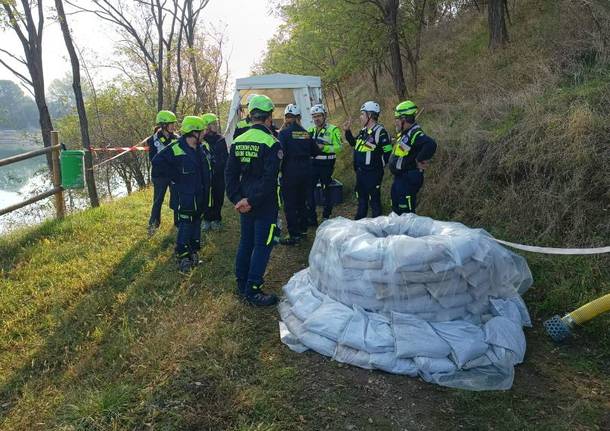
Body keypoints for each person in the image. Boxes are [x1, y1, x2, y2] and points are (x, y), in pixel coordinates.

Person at [225, 94, 282, 306]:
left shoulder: (238, 141)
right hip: (264, 204)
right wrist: (251, 201)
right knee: (263, 245)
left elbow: (229, 175)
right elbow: (269, 181)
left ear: (251, 116)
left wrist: (237, 199)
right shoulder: (272, 143)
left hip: (244, 203)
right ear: (268, 118)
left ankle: (242, 284)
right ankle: (253, 290)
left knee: (246, 242)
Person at [152, 116, 211, 273]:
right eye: (202, 131)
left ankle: (193, 251)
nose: (204, 133)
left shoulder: (201, 149)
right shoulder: (175, 148)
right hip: (184, 197)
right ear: (193, 133)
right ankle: (182, 255)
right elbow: (157, 163)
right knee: (185, 225)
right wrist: (175, 177)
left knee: (196, 223)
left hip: (200, 196)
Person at [278, 104, 320, 245]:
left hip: (290, 172)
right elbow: (315, 151)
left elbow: (280, 154)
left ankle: (294, 234)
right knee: (302, 201)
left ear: (286, 118)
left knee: (290, 204)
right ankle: (303, 229)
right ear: (299, 118)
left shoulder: (283, 134)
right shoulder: (305, 133)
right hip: (306, 172)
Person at [343, 101, 392, 220]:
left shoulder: (381, 132)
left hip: (373, 174)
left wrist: (377, 166)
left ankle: (378, 227)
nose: (360, 117)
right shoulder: (363, 131)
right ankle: (360, 224)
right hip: (360, 173)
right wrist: (347, 131)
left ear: (370, 115)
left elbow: (388, 152)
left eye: (362, 114)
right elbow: (354, 143)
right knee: (361, 200)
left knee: (374, 202)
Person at [389, 100, 437, 214]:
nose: (395, 122)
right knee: (397, 211)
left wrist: (418, 160)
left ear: (404, 119)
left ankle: (406, 232)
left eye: (396, 119)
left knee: (406, 213)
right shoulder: (405, 133)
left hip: (408, 179)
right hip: (400, 178)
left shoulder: (415, 133)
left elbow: (431, 144)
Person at [305, 104, 342, 226]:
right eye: (314, 117)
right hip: (312, 165)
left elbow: (339, 147)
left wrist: (324, 147)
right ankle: (312, 217)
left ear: (324, 115)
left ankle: (326, 215)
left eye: (319, 116)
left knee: (326, 190)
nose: (316, 119)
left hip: (326, 165)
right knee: (309, 190)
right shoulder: (310, 130)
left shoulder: (333, 130)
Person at [146, 110, 178, 236]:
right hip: (159, 175)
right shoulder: (153, 140)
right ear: (164, 125)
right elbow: (154, 160)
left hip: (174, 175)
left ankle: (178, 223)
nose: (174, 126)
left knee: (177, 199)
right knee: (158, 200)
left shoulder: (177, 138)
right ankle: (154, 223)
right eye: (171, 124)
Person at [201, 113, 228, 231]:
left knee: (218, 197)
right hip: (206, 175)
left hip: (219, 175)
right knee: (206, 197)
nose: (216, 125)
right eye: (213, 123)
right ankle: (206, 219)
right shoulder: (201, 140)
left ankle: (216, 219)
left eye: (216, 123)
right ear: (207, 126)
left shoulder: (220, 139)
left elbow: (225, 157)